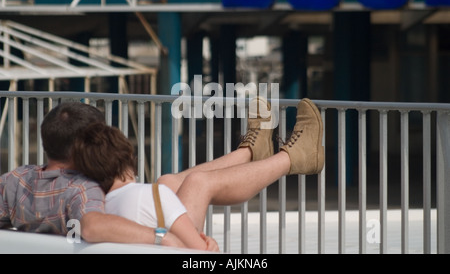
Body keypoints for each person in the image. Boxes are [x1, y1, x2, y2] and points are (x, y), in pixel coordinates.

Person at [71, 97, 324, 251]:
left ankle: (249, 152)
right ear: (128, 159)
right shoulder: (149, 196)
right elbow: (202, 253)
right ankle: (292, 157)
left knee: (167, 181)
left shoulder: (96, 202)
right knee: (198, 183)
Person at [0, 102, 186, 248]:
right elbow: (92, 226)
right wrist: (162, 237)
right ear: (84, 146)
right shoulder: (82, 187)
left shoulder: (17, 178)